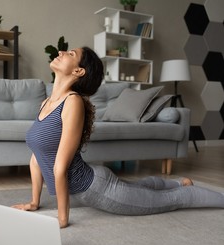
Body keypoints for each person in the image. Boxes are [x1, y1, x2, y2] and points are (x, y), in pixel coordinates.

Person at [12, 47, 224, 228]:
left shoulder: (72, 102)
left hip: (97, 188)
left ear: (78, 70)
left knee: (168, 201)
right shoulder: (45, 104)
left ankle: (189, 191)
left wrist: (62, 218)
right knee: (138, 187)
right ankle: (178, 182)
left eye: (70, 53)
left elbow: (60, 167)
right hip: (95, 178)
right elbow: (36, 158)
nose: (61, 52)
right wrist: (33, 201)